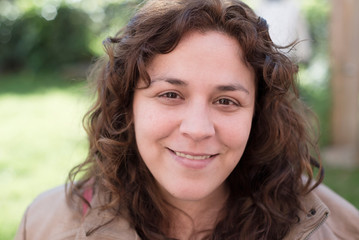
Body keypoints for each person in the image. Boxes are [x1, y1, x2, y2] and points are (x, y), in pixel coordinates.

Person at [15, 0, 359, 239]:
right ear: (127, 105)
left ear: (259, 115)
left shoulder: (342, 230)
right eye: (170, 95)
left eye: (226, 101)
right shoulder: (45, 225)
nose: (197, 129)